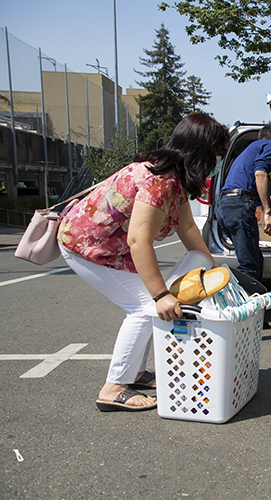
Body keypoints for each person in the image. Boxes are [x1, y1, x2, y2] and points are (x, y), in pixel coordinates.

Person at [57, 113, 230, 412]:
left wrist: (213, 268)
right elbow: (139, 240)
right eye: (215, 154)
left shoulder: (176, 179)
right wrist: (161, 295)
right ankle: (113, 388)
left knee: (196, 260)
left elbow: (187, 228)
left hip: (114, 248)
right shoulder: (160, 181)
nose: (215, 161)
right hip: (86, 245)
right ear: (200, 151)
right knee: (145, 307)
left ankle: (134, 372)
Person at [216, 124, 271, 281]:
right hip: (238, 204)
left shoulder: (250, 150)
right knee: (249, 266)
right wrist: (268, 212)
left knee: (255, 260)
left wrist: (266, 213)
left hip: (225, 205)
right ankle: (238, 302)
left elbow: (255, 190)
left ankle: (256, 301)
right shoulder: (270, 145)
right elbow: (260, 173)